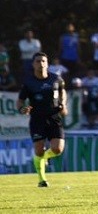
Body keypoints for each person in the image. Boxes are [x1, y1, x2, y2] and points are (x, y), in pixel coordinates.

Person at [16, 52, 68, 187]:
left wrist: (63, 104)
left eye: (43, 61)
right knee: (39, 150)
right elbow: (20, 101)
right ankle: (42, 180)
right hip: (37, 119)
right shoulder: (29, 83)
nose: (41, 64)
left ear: (47, 63)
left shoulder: (56, 79)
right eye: (38, 61)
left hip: (54, 117)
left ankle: (44, 158)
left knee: (57, 149)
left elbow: (63, 92)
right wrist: (22, 109)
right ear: (33, 64)